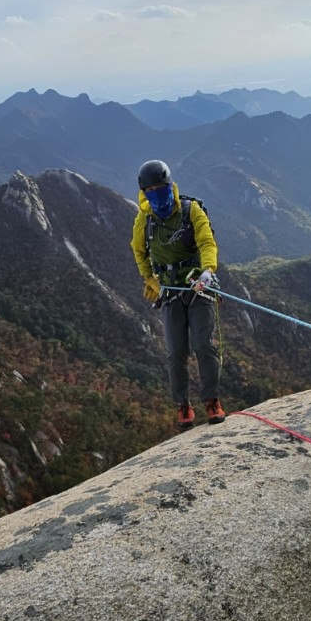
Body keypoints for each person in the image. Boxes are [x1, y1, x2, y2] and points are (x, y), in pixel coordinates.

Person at [131, 159, 226, 430]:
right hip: (170, 290)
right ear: (144, 193)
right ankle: (183, 405)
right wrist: (150, 279)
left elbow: (207, 241)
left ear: (170, 185)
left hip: (198, 285)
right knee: (176, 353)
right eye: (151, 191)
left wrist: (208, 270)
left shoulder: (190, 210)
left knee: (204, 346)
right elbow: (139, 252)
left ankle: (212, 400)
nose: (157, 195)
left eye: (161, 188)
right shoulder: (145, 220)